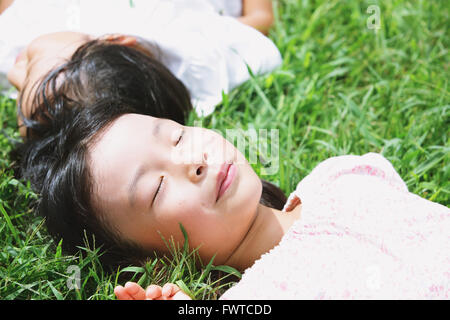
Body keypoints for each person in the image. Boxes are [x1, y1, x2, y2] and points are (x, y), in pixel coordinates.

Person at [18, 84, 450, 299]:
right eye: (157, 188)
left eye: (175, 137)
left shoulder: (341, 176)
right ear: (153, 263)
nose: (194, 161)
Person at [0, 0, 282, 129]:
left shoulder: (20, 37)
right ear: (115, 39)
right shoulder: (198, 53)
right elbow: (259, 21)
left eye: (19, 88)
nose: (16, 71)